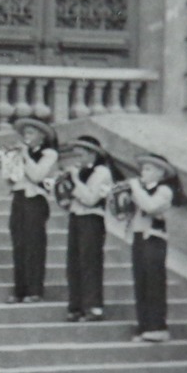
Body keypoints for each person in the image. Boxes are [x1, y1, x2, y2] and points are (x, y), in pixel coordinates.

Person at [63, 135, 118, 322]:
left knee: (90, 262)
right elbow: (69, 198)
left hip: (92, 219)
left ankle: (93, 306)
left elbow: (90, 199)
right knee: (74, 262)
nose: (77, 157)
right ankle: (76, 306)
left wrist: (74, 181)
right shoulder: (80, 171)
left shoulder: (102, 173)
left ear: (92, 154)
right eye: (76, 153)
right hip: (76, 217)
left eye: (81, 153)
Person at [127, 152, 180, 343]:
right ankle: (144, 326)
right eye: (143, 168)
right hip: (139, 236)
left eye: (148, 169)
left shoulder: (165, 191)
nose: (143, 172)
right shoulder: (140, 190)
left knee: (154, 282)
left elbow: (150, 207)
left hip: (155, 239)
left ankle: (158, 326)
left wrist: (134, 187)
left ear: (160, 172)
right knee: (141, 281)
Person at [5, 116, 58, 304]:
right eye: (24, 133)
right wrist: (11, 159)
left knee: (34, 245)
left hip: (35, 200)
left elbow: (37, 175)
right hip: (19, 198)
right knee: (19, 244)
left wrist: (25, 155)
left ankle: (34, 290)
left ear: (41, 136)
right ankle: (20, 290)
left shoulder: (49, 153)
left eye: (30, 133)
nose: (26, 137)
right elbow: (10, 178)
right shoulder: (23, 153)